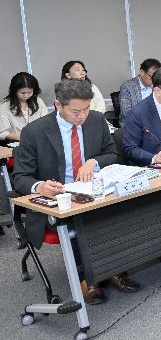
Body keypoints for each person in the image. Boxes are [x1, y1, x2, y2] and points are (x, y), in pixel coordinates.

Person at [12, 79, 140, 305]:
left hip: (93, 191)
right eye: (75, 111)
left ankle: (113, 268)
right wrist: (40, 186)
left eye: (86, 109)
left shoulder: (96, 120)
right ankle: (86, 276)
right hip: (57, 199)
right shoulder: (34, 132)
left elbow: (112, 154)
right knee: (81, 220)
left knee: (122, 209)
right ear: (58, 105)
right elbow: (20, 177)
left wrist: (93, 162)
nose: (82, 116)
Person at [0, 72, 48, 142]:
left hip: (39, 141)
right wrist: (22, 138)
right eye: (23, 93)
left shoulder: (38, 101)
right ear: (14, 91)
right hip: (18, 142)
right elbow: (2, 132)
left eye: (30, 92)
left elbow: (46, 123)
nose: (26, 96)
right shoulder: (4, 107)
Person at [119, 58, 161, 124]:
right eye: (152, 76)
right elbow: (127, 112)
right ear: (142, 72)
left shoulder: (158, 86)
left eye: (156, 77)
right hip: (134, 123)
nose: (154, 80)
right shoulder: (127, 87)